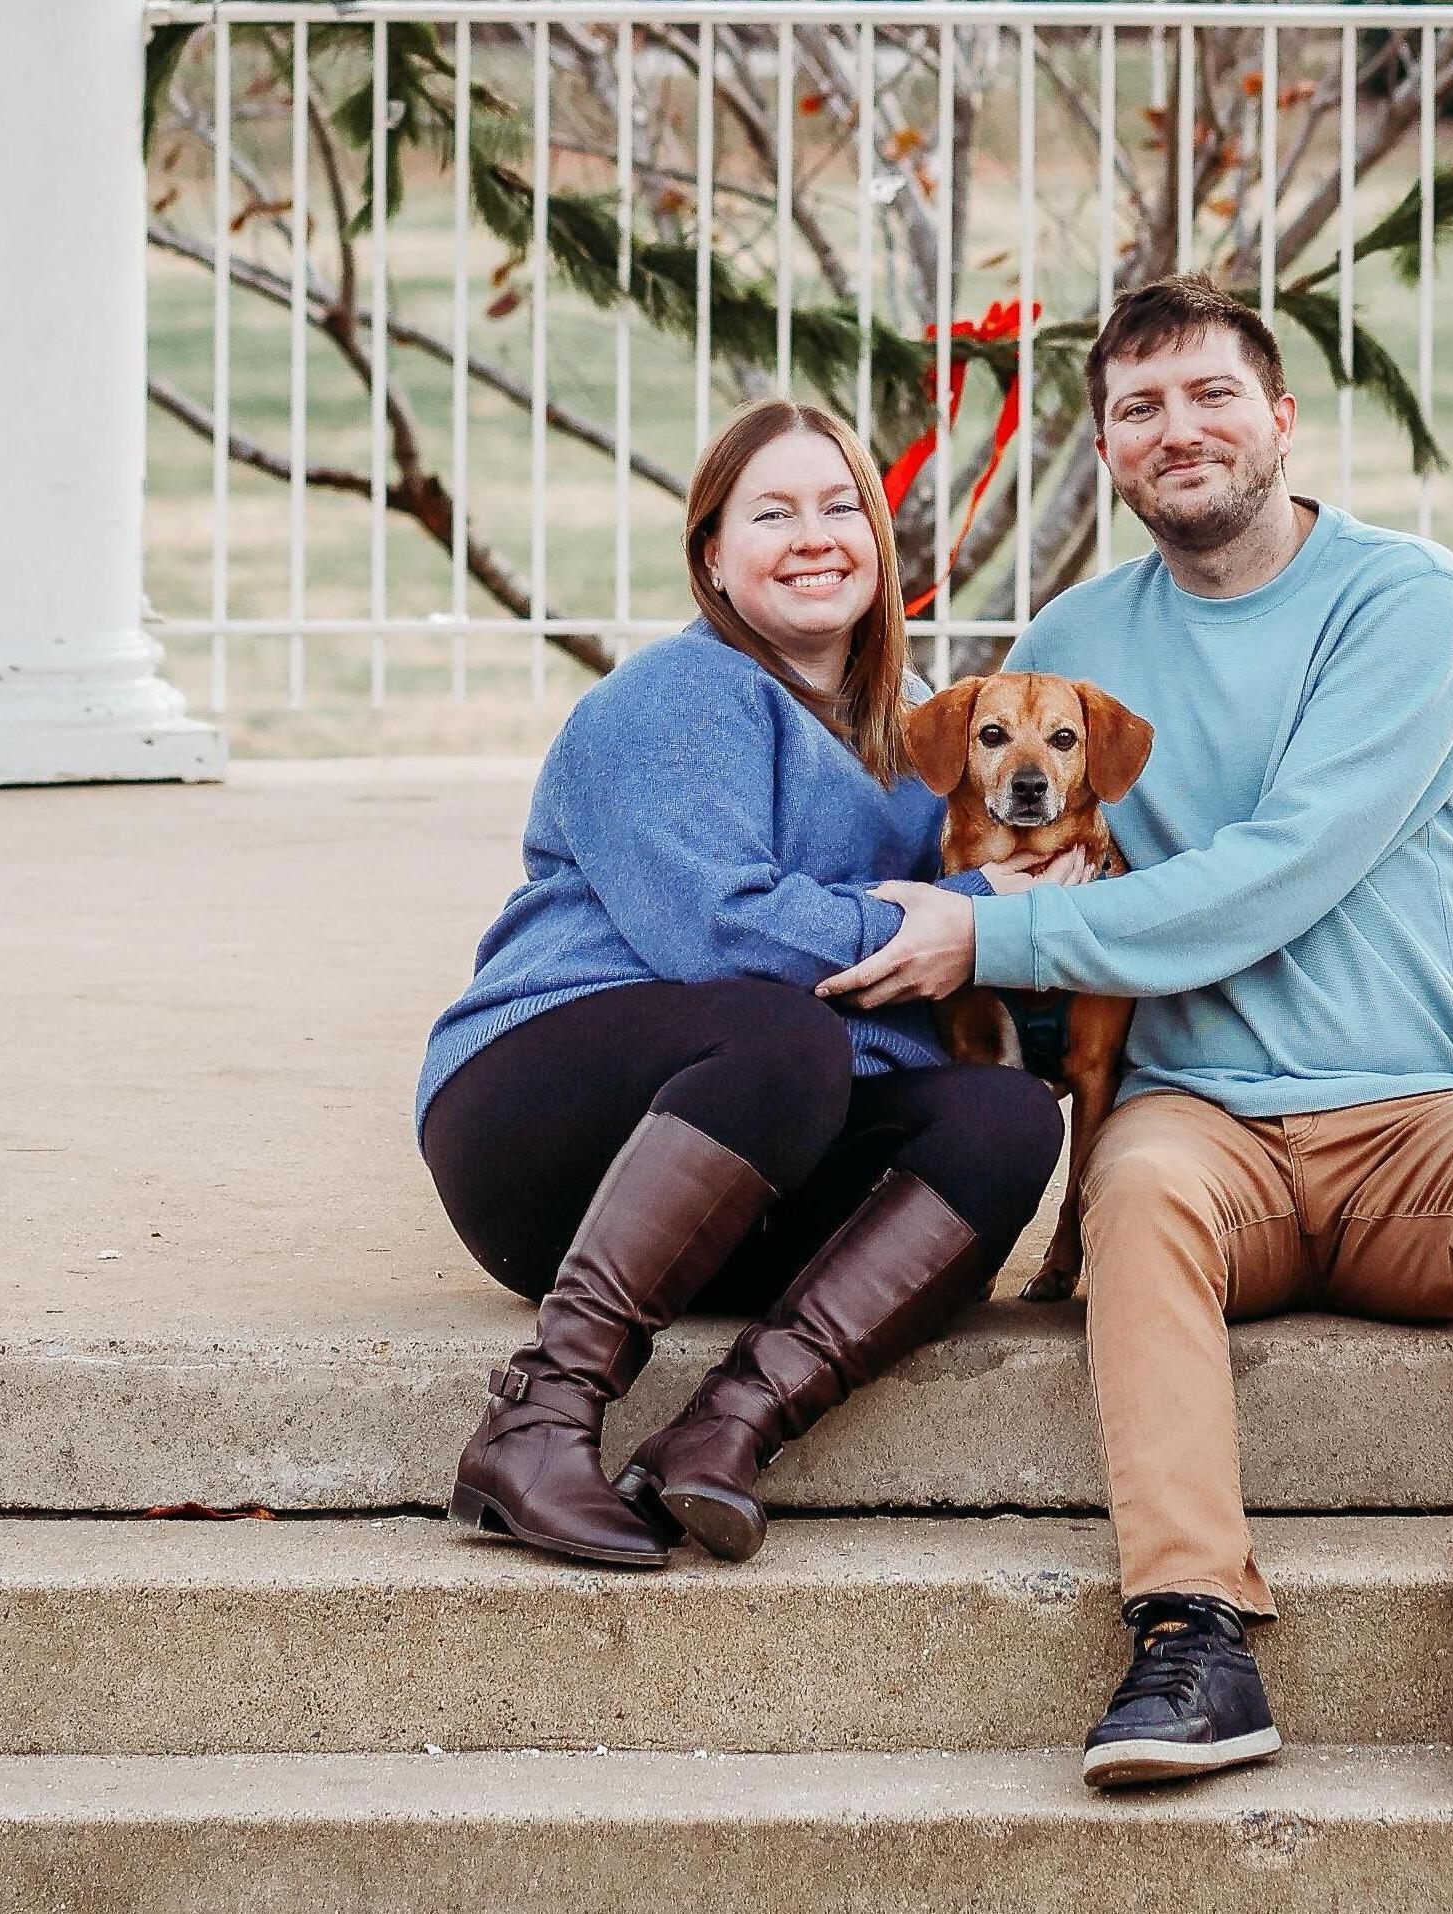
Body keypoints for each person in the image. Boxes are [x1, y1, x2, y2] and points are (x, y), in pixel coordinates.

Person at [819, 275, 1453, 1798]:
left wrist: (995, 935)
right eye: (1138, 408)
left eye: (1209, 395)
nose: (1175, 430)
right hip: (1201, 1115)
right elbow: (1005, 854)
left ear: (1280, 418)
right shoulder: (1074, 641)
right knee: (1132, 1181)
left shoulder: (1404, 601)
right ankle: (1191, 1631)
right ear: (1108, 448)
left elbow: (1284, 866)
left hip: (1416, 1106)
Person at [418, 400, 1067, 1574]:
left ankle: (723, 1433)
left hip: (754, 1172)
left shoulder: (922, 751)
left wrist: (1039, 931)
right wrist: (966, 919)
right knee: (780, 1029)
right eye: (773, 514)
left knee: (1009, 1119)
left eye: (841, 508)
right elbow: (721, 931)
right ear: (713, 555)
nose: (814, 536)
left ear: (879, 543)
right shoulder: (671, 697)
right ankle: (536, 1423)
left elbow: (962, 980)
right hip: (536, 1121)